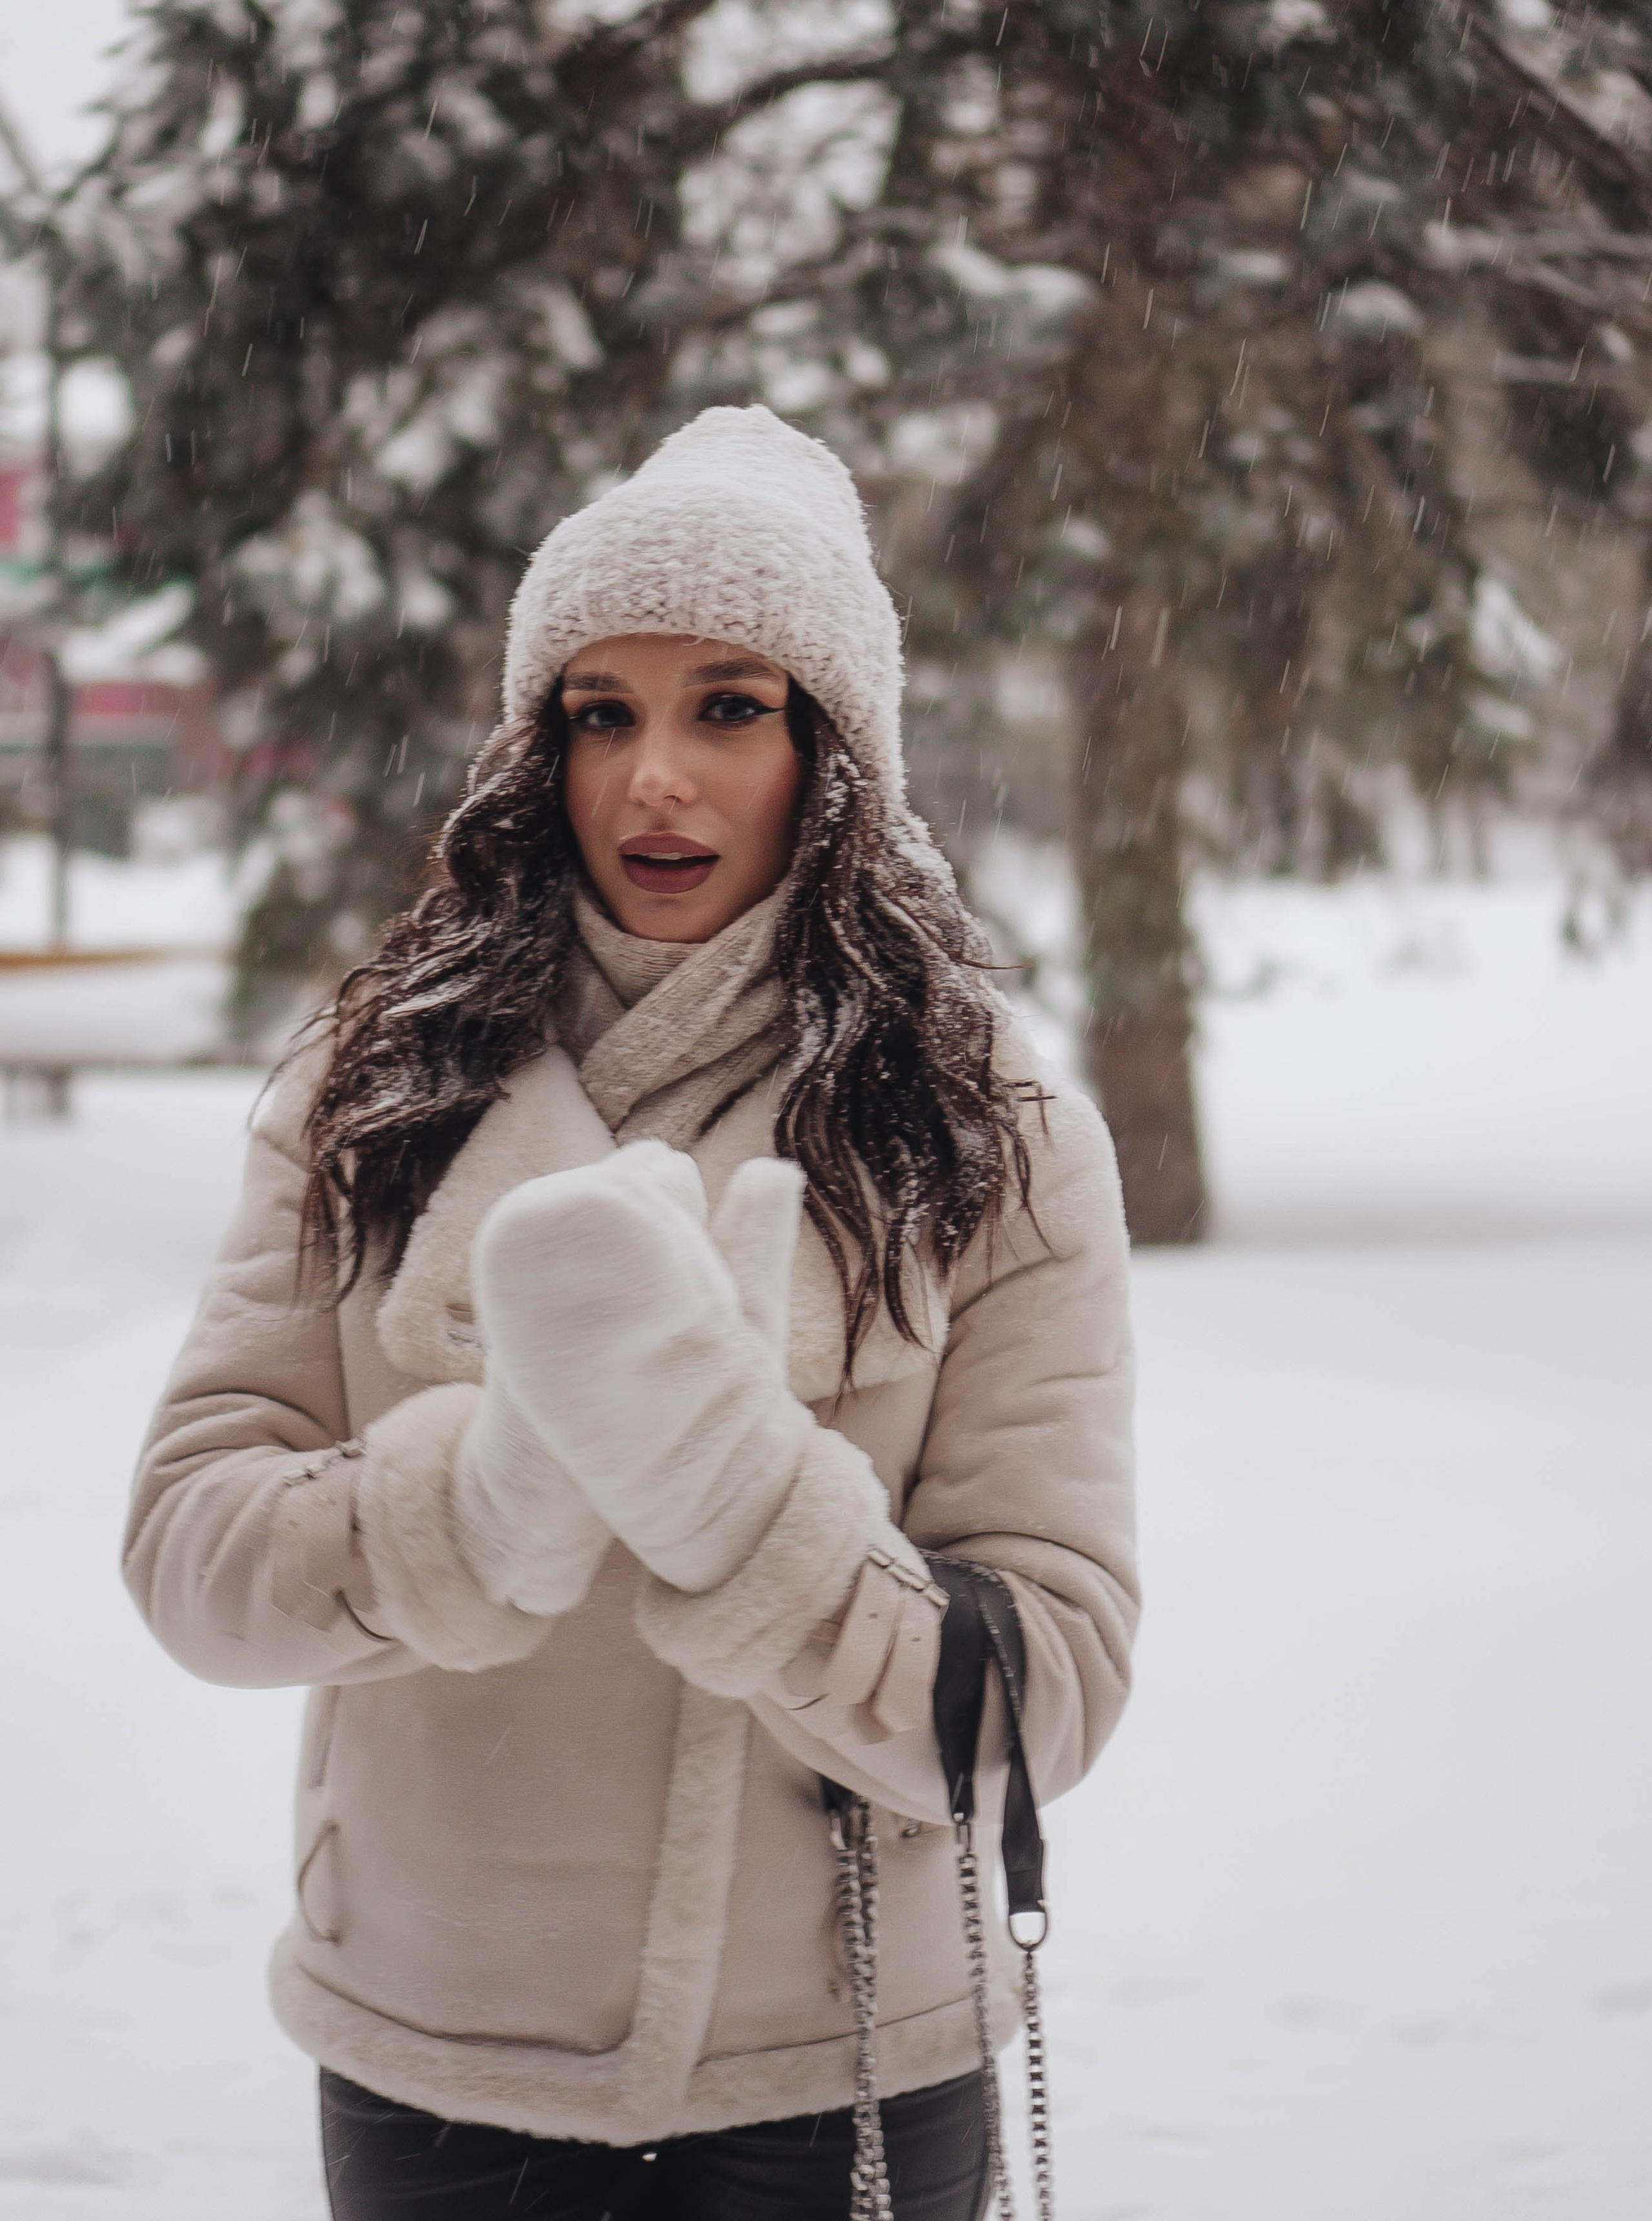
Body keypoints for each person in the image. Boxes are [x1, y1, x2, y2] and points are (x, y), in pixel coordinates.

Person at [125, 405, 1138, 2220]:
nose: (654, 777)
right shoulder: (374, 1091)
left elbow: (1046, 1686)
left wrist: (748, 1514)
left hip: (837, 2076)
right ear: (540, 744)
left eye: (728, 708)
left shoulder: (989, 1134)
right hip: (435, 2058)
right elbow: (191, 1556)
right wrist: (469, 1504)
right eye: (605, 711)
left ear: (834, 751)